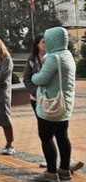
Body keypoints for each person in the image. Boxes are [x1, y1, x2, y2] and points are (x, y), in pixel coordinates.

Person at [31, 27, 77, 182]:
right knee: (63, 137)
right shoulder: (68, 54)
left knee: (46, 137)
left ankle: (51, 173)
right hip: (64, 105)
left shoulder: (53, 58)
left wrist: (34, 76)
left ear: (52, 40)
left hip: (50, 106)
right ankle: (64, 171)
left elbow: (40, 79)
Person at [23, 36, 45, 112]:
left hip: (51, 98)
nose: (46, 44)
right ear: (37, 44)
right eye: (43, 42)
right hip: (36, 98)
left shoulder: (53, 58)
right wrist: (35, 92)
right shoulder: (32, 59)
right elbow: (26, 78)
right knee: (41, 122)